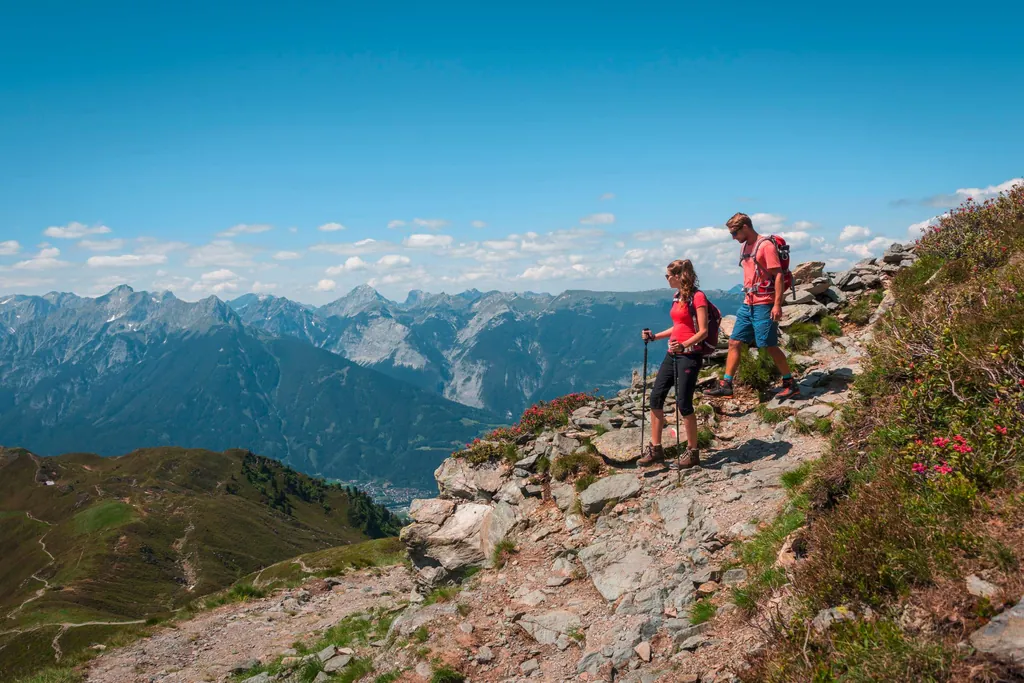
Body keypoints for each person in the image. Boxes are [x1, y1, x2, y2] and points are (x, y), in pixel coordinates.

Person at [706, 212, 800, 399]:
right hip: (748, 303)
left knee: (768, 345)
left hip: (764, 303)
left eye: (734, 233)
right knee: (734, 342)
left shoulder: (765, 246)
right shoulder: (745, 247)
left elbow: (778, 275)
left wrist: (777, 305)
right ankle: (726, 384)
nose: (733, 238)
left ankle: (790, 383)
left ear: (745, 227)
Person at [638, 259, 708, 469]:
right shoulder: (678, 297)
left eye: (668, 275)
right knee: (656, 396)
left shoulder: (698, 297)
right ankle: (656, 449)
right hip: (673, 352)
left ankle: (692, 452)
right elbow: (678, 325)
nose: (666, 279)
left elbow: (703, 331)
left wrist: (684, 345)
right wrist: (655, 337)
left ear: (679, 276)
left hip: (689, 354)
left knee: (684, 403)